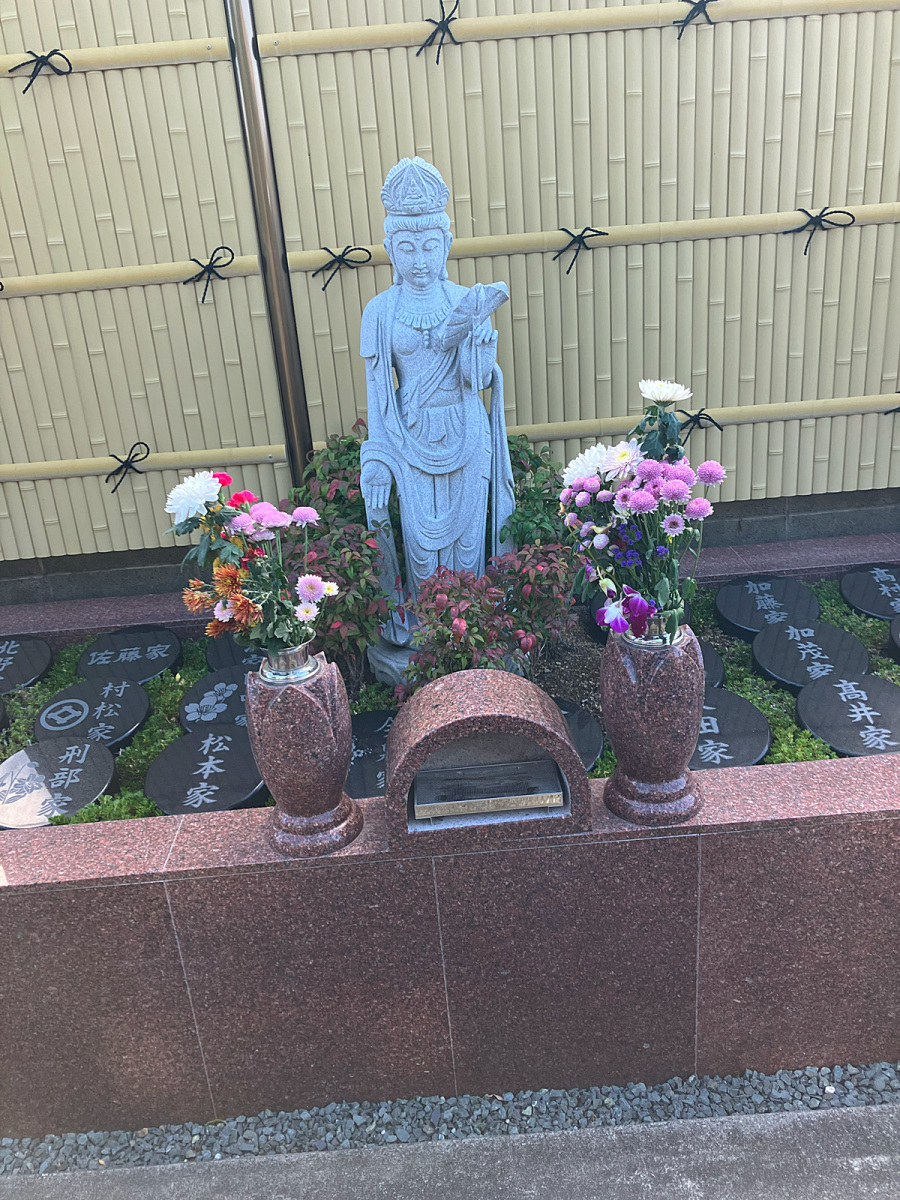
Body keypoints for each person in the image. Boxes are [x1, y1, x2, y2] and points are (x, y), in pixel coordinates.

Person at [360, 157, 515, 677]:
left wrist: (482, 349)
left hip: (466, 432)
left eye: (430, 246)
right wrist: (376, 461)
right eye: (407, 248)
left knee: (468, 546)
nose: (420, 260)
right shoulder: (380, 313)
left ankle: (471, 633)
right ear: (391, 249)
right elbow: (379, 397)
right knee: (422, 551)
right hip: (409, 440)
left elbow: (477, 379)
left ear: (446, 244)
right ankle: (430, 637)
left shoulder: (464, 300)